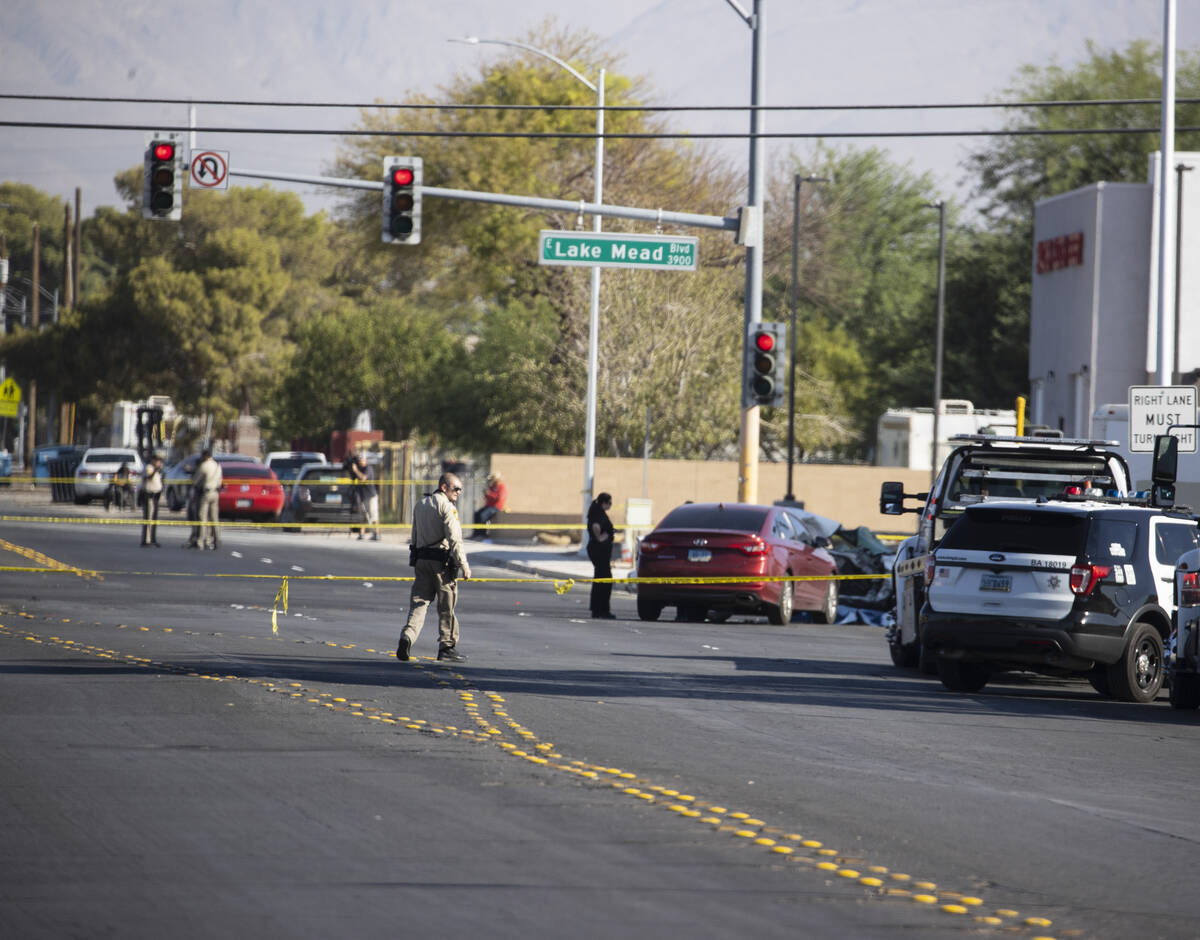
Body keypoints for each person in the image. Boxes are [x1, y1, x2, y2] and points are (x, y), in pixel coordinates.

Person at [396, 473, 472, 663]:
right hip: (441, 564)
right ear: (444, 487)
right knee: (446, 606)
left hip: (422, 560)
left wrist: (414, 556)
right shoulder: (446, 506)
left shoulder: (420, 505)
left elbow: (415, 534)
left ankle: (407, 636)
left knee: (419, 602)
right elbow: (454, 538)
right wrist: (463, 564)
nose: (458, 493)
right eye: (456, 489)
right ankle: (447, 646)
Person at [185, 448, 223, 550]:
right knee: (214, 518)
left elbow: (195, 481)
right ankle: (216, 539)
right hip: (216, 493)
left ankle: (200, 541)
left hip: (206, 493)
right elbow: (220, 481)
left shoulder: (204, 466)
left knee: (202, 517)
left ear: (205, 456)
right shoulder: (217, 466)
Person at [587, 492, 616, 619]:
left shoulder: (596, 511)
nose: (610, 505)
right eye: (610, 503)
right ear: (604, 503)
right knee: (605, 580)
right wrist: (601, 538)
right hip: (599, 550)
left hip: (598, 550)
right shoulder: (599, 513)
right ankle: (602, 610)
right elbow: (595, 526)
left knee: (600, 578)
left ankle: (597, 609)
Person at [351, 453, 381, 541]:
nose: (360, 461)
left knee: (373, 515)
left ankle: (377, 533)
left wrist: (356, 470)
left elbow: (363, 478)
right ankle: (362, 533)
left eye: (362, 460)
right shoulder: (359, 468)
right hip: (362, 495)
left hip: (371, 496)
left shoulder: (368, 468)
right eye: (359, 460)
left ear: (365, 460)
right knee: (362, 515)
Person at [474, 471, 508, 539]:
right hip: (489, 506)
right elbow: (488, 497)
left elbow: (499, 498)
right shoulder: (492, 486)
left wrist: (490, 494)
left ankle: (483, 534)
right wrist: (486, 494)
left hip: (496, 507)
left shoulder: (502, 487)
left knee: (483, 515)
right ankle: (476, 533)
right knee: (477, 514)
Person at [140, 454, 164, 546]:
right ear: (153, 461)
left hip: (155, 497)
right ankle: (146, 540)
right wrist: (156, 470)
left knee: (153, 520)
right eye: (158, 461)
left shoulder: (155, 469)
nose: (159, 463)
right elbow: (148, 477)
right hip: (149, 496)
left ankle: (153, 539)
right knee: (148, 519)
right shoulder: (149, 468)